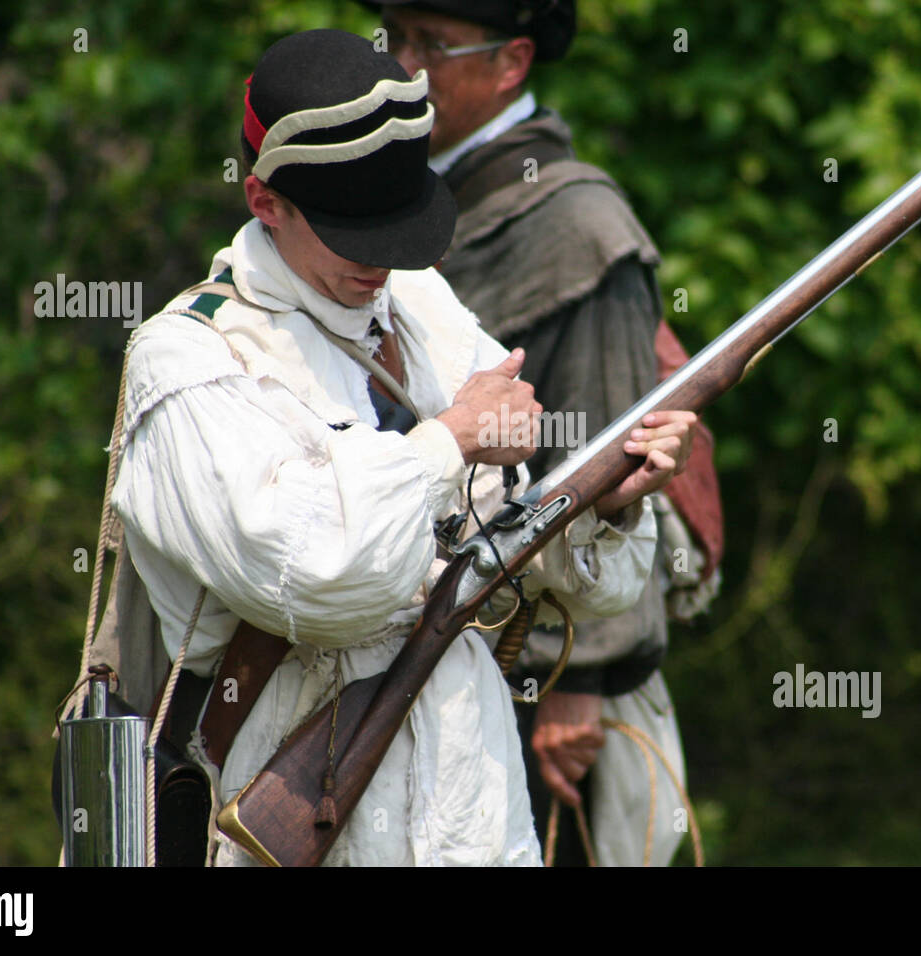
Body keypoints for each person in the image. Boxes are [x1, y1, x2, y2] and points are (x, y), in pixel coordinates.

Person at [109, 28, 696, 866]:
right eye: (357, 231)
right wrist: (449, 442)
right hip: (282, 803)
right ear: (265, 200)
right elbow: (317, 574)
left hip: (472, 802)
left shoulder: (419, 304)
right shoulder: (190, 359)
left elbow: (522, 556)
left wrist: (604, 502)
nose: (384, 263)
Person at [373, 0, 710, 866]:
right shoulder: (409, 196)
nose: (405, 65)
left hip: (549, 680)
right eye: (398, 38)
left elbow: (610, 462)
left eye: (434, 46)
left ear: (511, 62)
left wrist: (580, 679)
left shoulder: (577, 225)